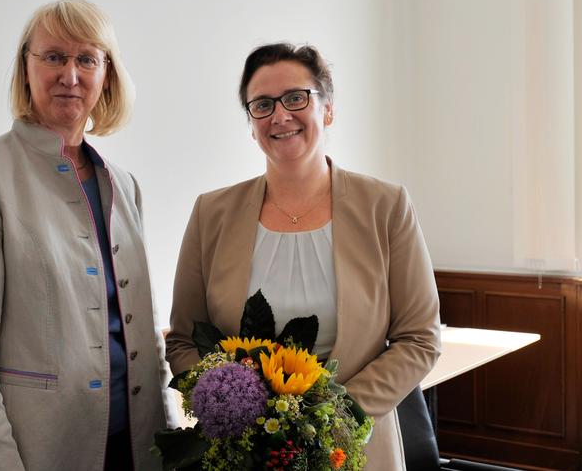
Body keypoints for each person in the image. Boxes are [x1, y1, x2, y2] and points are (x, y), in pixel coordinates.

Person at [165, 43, 441, 470]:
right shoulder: (211, 213)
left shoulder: (385, 205)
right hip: (243, 452)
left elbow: (420, 338)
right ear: (252, 124)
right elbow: (183, 340)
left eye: (296, 97)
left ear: (327, 110)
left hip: (354, 446)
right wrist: (233, 411)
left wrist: (332, 417)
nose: (280, 115)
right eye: (262, 105)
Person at [0, 0, 166, 471]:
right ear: (26, 68)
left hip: (133, 447)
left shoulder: (124, 183)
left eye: (87, 59)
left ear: (107, 75)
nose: (70, 75)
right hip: (33, 453)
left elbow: (143, 328)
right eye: (54, 56)